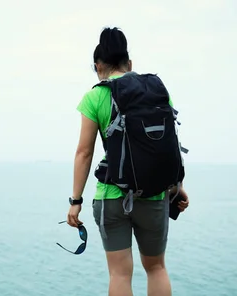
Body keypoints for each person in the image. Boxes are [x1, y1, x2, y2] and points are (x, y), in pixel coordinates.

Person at [65, 27, 190, 296]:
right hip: (155, 194)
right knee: (156, 268)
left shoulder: (95, 96)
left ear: (98, 67)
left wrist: (76, 201)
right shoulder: (157, 90)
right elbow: (168, 143)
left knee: (120, 273)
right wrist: (176, 186)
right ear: (129, 63)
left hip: (111, 196)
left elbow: (84, 153)